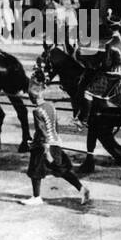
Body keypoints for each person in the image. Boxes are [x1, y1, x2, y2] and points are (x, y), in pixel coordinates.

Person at [23, 73, 91, 206]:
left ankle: (36, 197)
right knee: (62, 170)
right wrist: (55, 142)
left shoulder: (37, 111)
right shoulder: (51, 106)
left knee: (35, 171)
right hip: (56, 143)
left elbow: (42, 132)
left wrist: (46, 151)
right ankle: (82, 189)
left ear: (32, 97)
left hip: (44, 146)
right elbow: (55, 127)